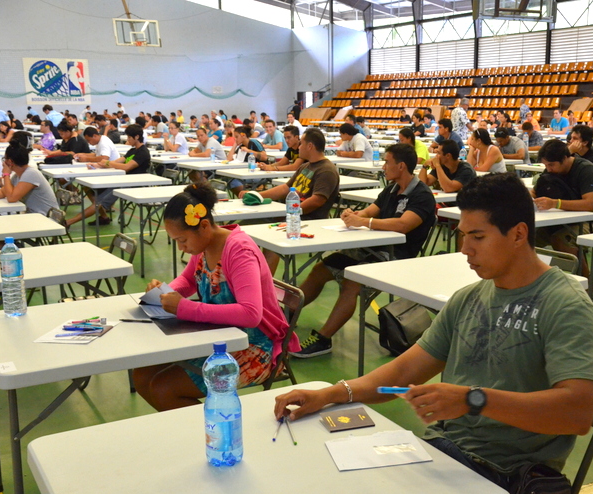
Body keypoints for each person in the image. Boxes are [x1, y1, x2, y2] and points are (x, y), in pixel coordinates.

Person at [275, 173, 593, 492]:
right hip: (445, 451)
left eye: (477, 237)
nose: (465, 249)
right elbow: (404, 370)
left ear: (518, 235)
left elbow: (577, 413)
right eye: (463, 236)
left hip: (506, 475)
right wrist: (330, 394)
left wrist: (473, 399)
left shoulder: (564, 306)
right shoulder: (469, 298)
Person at [132, 182, 298, 411]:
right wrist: (165, 292)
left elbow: (251, 314)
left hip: (255, 347)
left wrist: (184, 308)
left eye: (182, 240)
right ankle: (184, 428)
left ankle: (210, 436)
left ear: (204, 226)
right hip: (219, 336)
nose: (181, 247)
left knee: (164, 388)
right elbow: (189, 280)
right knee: (141, 374)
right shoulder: (203, 246)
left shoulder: (239, 251)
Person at [294, 143, 436, 358]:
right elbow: (371, 212)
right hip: (371, 250)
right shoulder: (391, 189)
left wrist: (365, 221)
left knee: (353, 281)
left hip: (395, 257)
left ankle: (323, 340)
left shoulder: (421, 195)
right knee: (321, 270)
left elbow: (403, 225)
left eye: (387, 162)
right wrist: (353, 216)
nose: (383, 166)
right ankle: (285, 318)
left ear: (401, 166)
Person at [239, 129, 339, 272]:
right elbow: (285, 188)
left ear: (310, 146)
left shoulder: (326, 170)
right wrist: (258, 194)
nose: (298, 147)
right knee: (244, 228)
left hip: (307, 221)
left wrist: (290, 214)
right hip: (292, 214)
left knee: (268, 236)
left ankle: (263, 283)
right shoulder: (305, 167)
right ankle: (249, 274)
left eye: (301, 144)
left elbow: (316, 201)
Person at [533, 140, 593, 274]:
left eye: (551, 165)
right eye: (546, 165)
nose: (548, 169)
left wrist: (555, 203)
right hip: (561, 221)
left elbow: (590, 204)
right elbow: (537, 191)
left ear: (565, 158)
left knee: (561, 239)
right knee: (525, 238)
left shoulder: (586, 169)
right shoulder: (551, 170)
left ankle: (586, 283)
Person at [66, 124, 150, 227]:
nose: (128, 140)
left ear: (137, 137)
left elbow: (127, 167)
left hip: (131, 183)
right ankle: (103, 215)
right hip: (122, 179)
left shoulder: (143, 152)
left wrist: (107, 163)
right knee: (88, 187)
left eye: (129, 137)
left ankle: (69, 222)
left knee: (98, 202)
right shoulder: (132, 151)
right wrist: (97, 165)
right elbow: (117, 161)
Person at [0, 143, 58, 216]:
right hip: (34, 215)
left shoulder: (31, 173)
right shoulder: (19, 174)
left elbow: (12, 198)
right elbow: (4, 191)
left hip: (45, 217)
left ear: (10, 162)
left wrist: (6, 174)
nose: (3, 162)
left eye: (4, 159)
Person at [568, 125, 593, 190]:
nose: (570, 141)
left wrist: (569, 151)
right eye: (571, 138)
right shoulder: (575, 154)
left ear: (585, 142)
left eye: (575, 138)